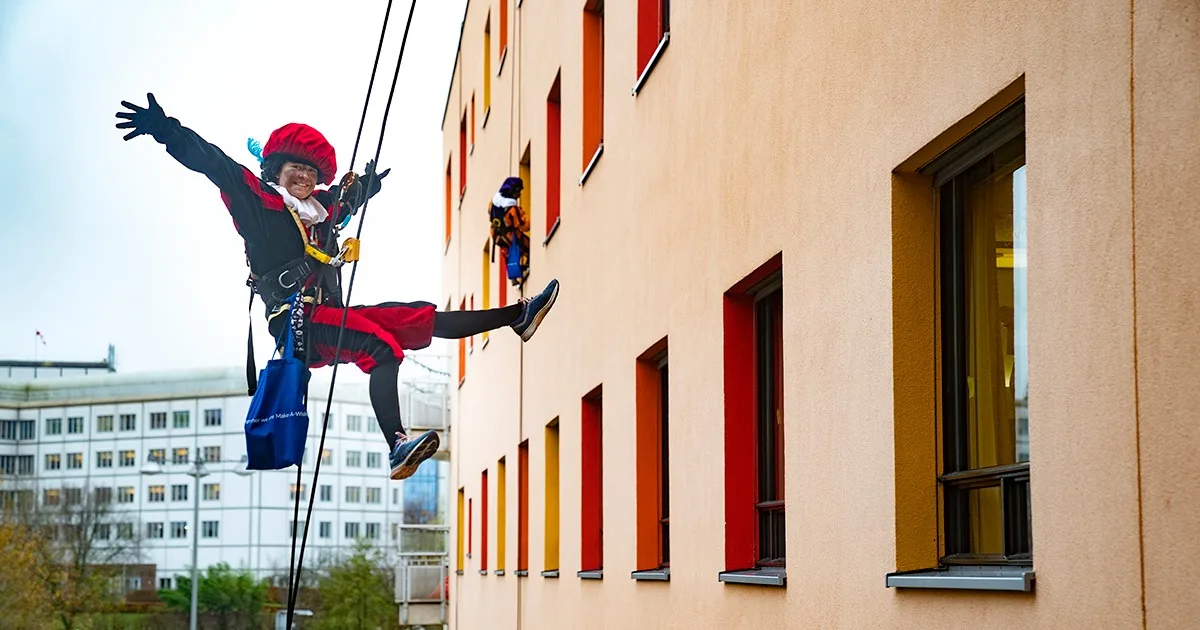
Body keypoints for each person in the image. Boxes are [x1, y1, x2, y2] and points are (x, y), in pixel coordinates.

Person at [114, 93, 559, 480]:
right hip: (298, 325)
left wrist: (367, 186)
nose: (303, 178)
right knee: (382, 347)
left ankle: (516, 317)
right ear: (275, 169)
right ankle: (397, 444)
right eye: (295, 169)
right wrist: (165, 129)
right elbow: (212, 162)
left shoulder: (319, 209)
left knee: (412, 317)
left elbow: (344, 200)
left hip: (327, 314)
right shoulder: (260, 204)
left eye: (311, 172)